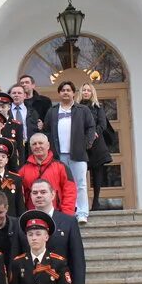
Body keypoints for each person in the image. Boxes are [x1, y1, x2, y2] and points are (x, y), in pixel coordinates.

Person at [43, 81, 97, 224]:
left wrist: (87, 144)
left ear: (74, 93)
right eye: (63, 90)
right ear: (59, 93)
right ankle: (65, 212)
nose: (65, 92)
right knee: (59, 185)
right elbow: (46, 130)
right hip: (58, 155)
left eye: (68, 90)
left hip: (78, 154)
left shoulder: (83, 110)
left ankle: (82, 213)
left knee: (80, 184)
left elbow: (91, 127)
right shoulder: (53, 111)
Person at [18, 133, 77, 215]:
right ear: (31, 147)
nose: (37, 146)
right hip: (32, 216)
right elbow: (20, 195)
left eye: (40, 143)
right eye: (34, 144)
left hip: (57, 215)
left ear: (48, 145)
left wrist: (66, 215)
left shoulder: (61, 167)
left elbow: (70, 192)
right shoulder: (23, 171)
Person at [79, 82, 114, 212]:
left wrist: (94, 134)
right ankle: (81, 203)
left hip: (97, 144)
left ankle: (96, 201)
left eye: (88, 90)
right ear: (81, 92)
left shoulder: (98, 107)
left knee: (97, 172)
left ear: (92, 92)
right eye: (84, 90)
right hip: (81, 144)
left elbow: (102, 124)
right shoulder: (76, 108)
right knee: (80, 174)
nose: (86, 92)